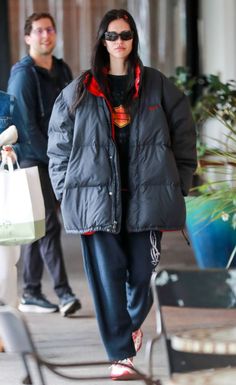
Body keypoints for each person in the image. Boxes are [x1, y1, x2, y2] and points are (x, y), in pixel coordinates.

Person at [47, 8, 197, 379]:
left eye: (125, 35)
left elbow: (184, 136)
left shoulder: (157, 85)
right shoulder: (80, 88)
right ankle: (120, 354)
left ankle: (128, 326)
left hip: (146, 201)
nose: (118, 42)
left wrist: (178, 184)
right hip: (96, 202)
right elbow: (58, 147)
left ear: (134, 40)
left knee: (142, 274)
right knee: (106, 277)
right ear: (102, 40)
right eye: (111, 36)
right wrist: (68, 193)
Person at [7, 12, 81, 317]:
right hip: (33, 158)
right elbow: (25, 127)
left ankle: (32, 291)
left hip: (58, 158)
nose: (45, 35)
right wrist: (57, 160)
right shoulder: (23, 75)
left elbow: (75, 112)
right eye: (38, 31)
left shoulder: (62, 69)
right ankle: (64, 293)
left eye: (49, 30)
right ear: (28, 37)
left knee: (39, 228)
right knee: (49, 226)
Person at [0, 90, 30, 309]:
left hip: (4, 193)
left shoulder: (7, 102)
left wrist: (13, 152)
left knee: (5, 266)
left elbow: (25, 141)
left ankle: (5, 331)